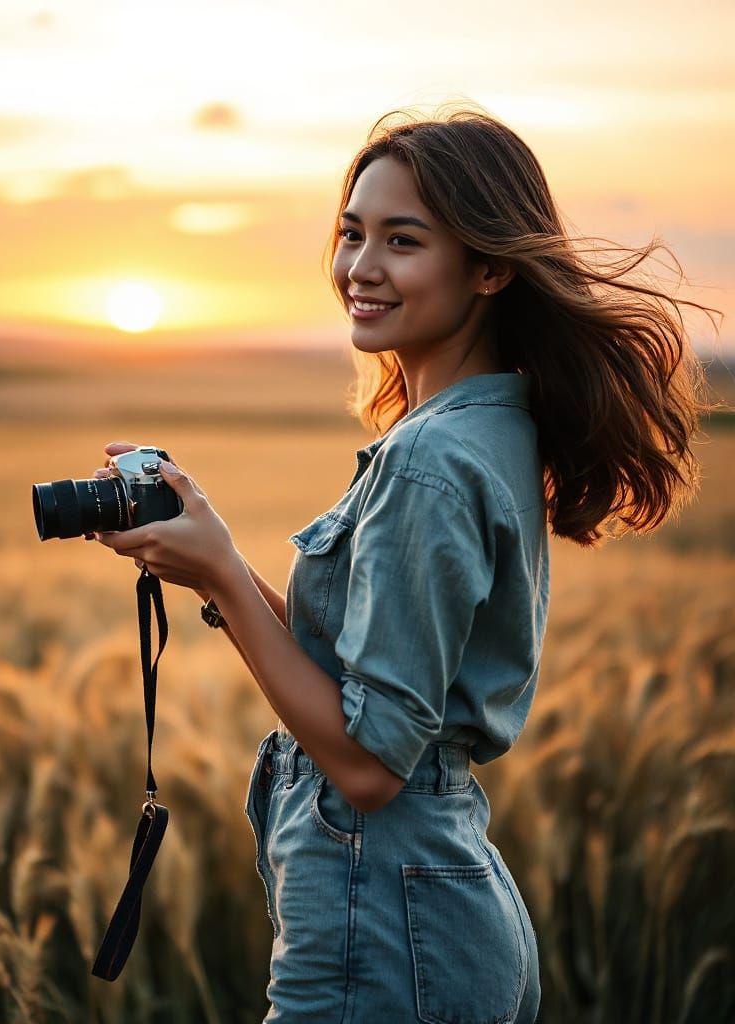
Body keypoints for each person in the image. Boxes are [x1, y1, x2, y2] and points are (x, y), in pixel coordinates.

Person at [87, 105, 718, 1022]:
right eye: (351, 233)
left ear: (492, 266)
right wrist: (212, 559)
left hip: (384, 923)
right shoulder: (486, 431)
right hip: (426, 906)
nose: (360, 267)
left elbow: (371, 767)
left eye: (404, 240)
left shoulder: (431, 463)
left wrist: (224, 573)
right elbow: (361, 683)